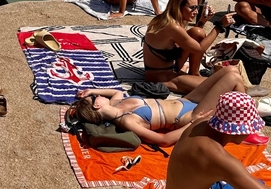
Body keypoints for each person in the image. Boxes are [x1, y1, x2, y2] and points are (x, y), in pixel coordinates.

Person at [72, 69, 246, 148]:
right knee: (232, 78)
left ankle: (242, 115)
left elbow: (115, 91)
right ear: (97, 105)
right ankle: (244, 128)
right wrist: (193, 122)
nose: (101, 96)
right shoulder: (127, 121)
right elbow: (164, 140)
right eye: (96, 97)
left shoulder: (117, 103)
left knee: (229, 70)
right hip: (187, 115)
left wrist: (92, 90)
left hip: (187, 100)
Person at [144, 0, 236, 91]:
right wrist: (219, 26)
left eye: (197, 7)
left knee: (197, 32)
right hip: (161, 77)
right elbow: (199, 49)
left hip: (172, 68)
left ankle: (194, 73)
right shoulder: (172, 27)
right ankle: (189, 79)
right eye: (192, 8)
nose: (196, 12)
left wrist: (202, 21)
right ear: (179, 7)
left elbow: (189, 40)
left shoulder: (166, 19)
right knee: (223, 86)